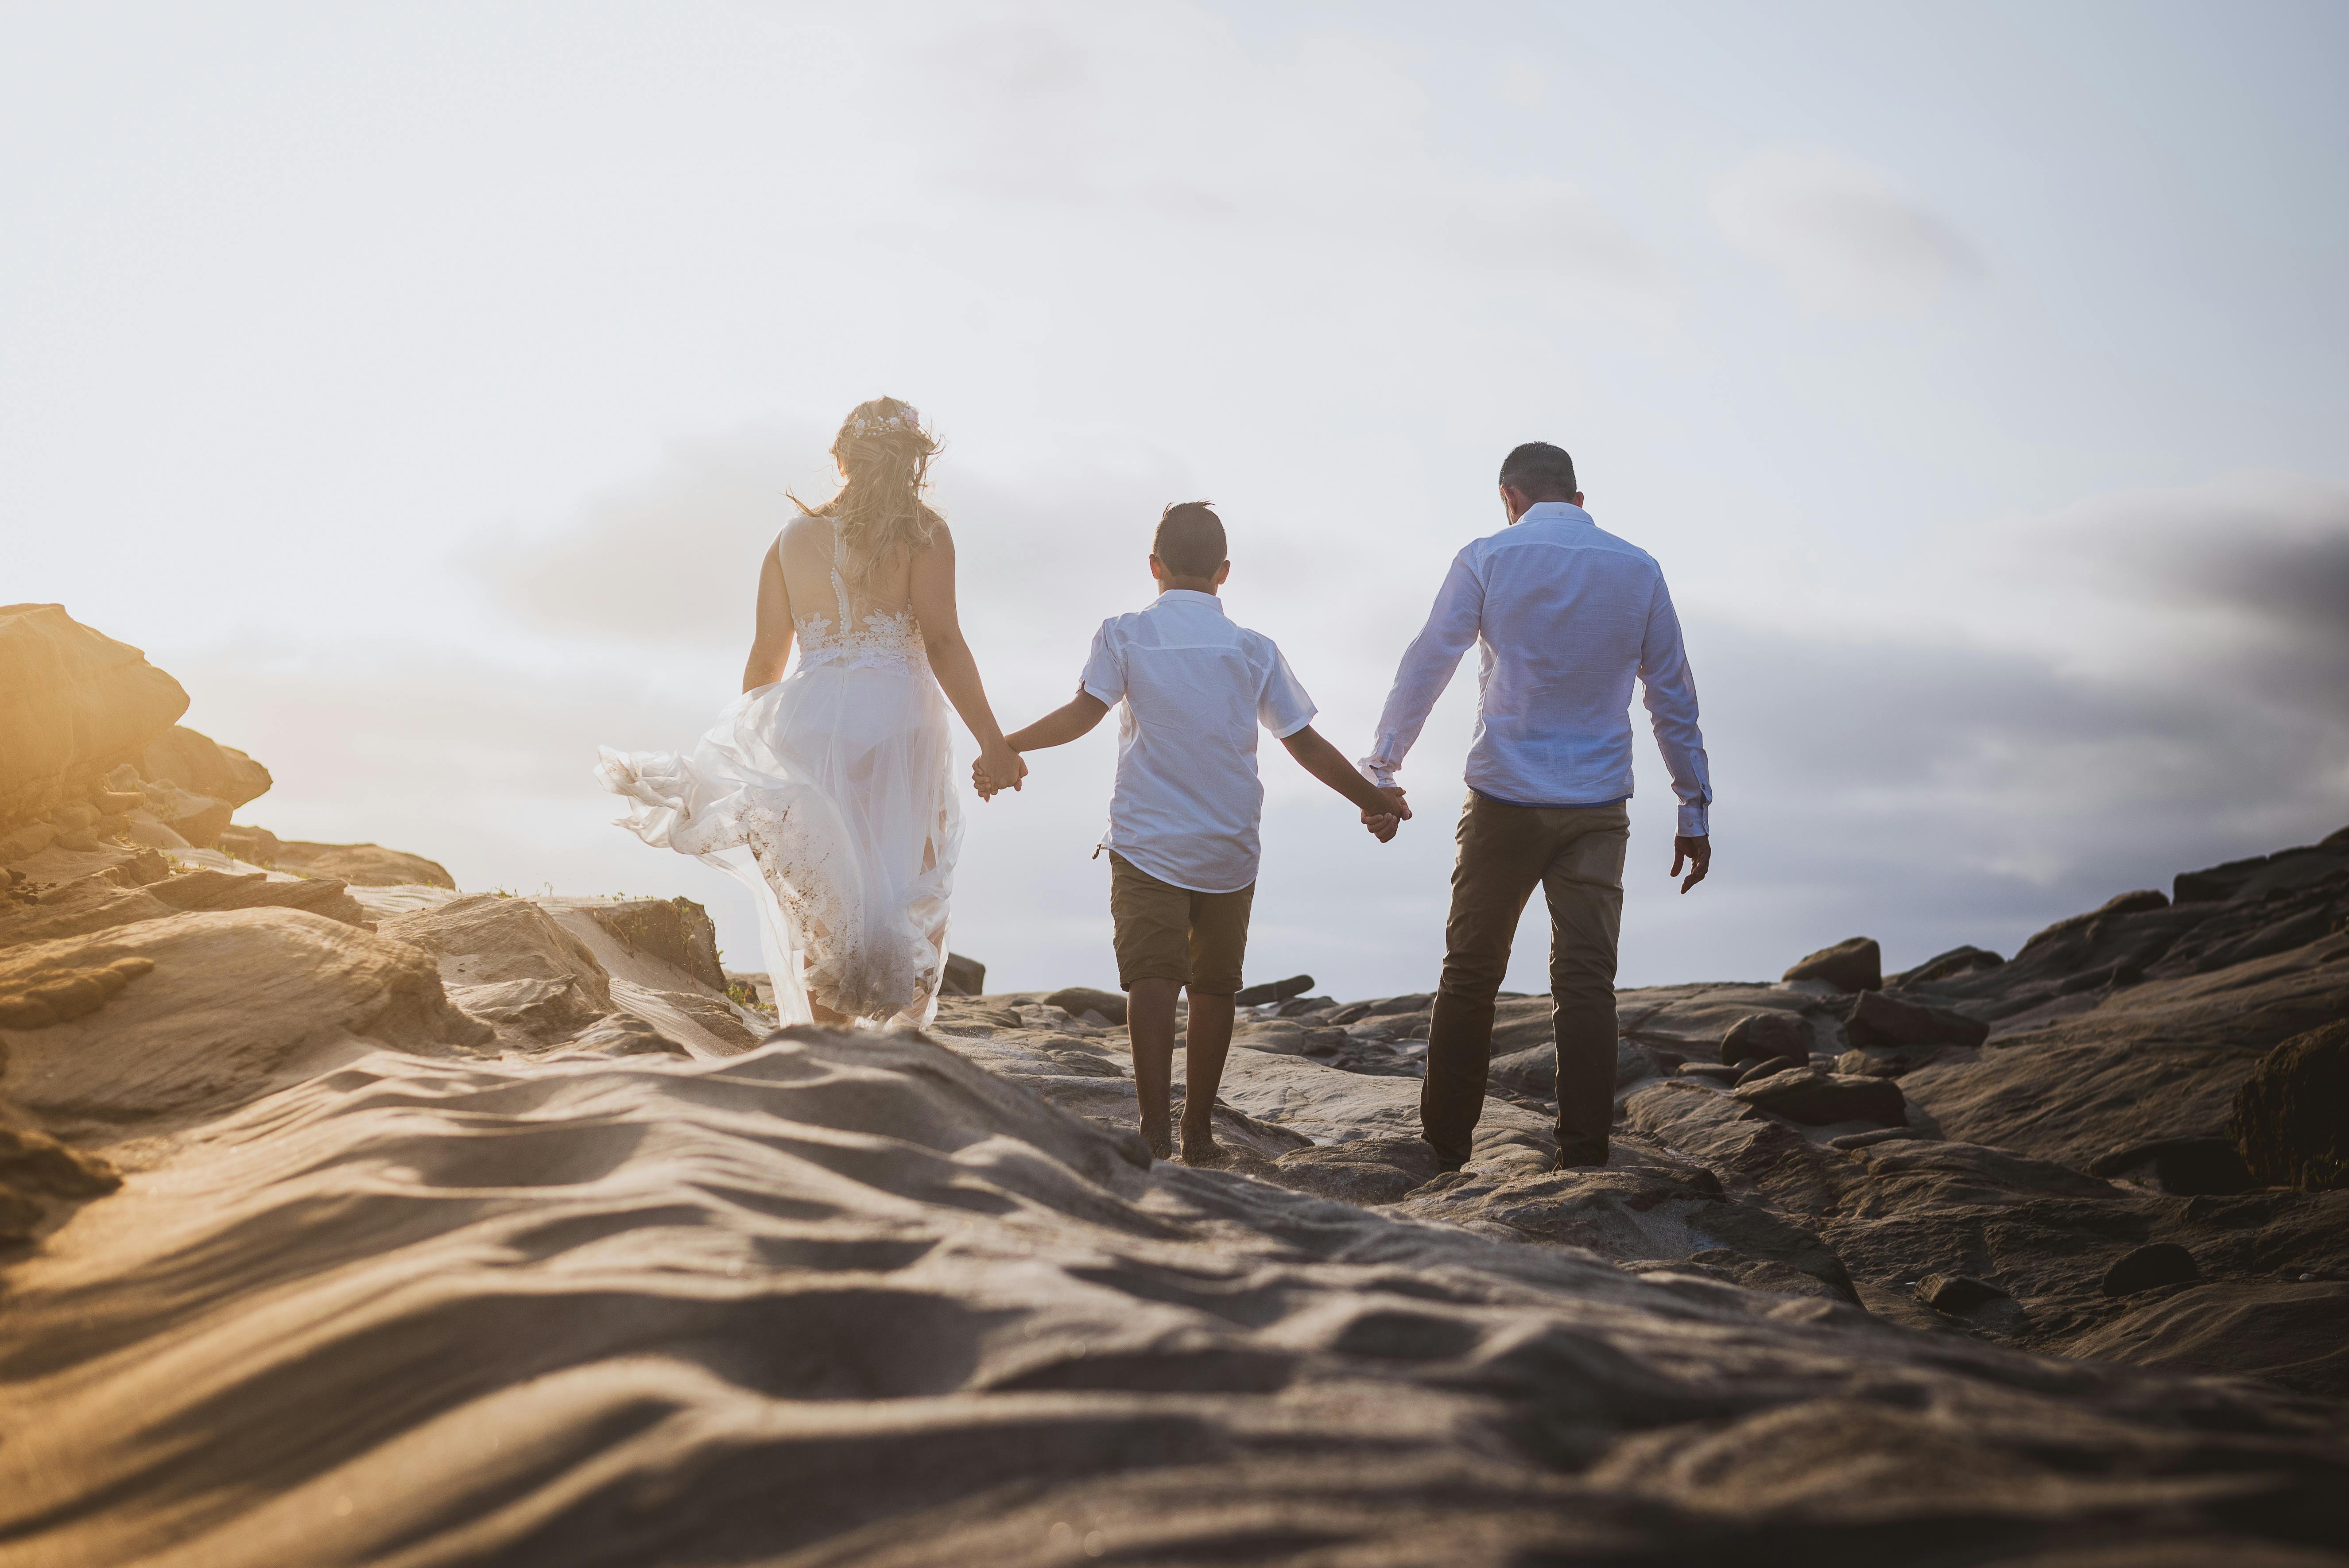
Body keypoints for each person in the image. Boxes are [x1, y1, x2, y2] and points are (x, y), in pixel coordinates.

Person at [994, 501, 1408, 1164]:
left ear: (1154, 567)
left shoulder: (1124, 634)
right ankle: (1199, 1135)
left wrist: (1005, 744)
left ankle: (1154, 1129)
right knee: (1214, 989)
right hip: (1228, 848)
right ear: (1224, 572)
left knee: (1151, 981)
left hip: (1147, 842)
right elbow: (1305, 744)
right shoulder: (1253, 649)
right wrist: (1374, 798)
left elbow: (1083, 713)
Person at [595, 398, 1025, 1028]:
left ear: (841, 458)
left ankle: (831, 1040)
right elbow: (942, 642)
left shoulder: (792, 538)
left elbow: (766, 659)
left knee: (827, 889)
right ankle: (903, 1040)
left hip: (810, 720)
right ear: (914, 461)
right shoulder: (925, 533)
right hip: (899, 721)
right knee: (913, 880)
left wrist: (752, 749)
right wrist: (993, 739)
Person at [1362, 442, 1711, 1173]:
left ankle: (1445, 1148)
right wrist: (1693, 807)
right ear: (1579, 500)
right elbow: (1672, 696)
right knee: (1587, 982)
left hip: (1503, 799)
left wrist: (1383, 770)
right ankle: (1584, 1154)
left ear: (1507, 496)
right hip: (1597, 805)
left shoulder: (1488, 556)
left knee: (1469, 973)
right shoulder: (1638, 568)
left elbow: (1430, 660)